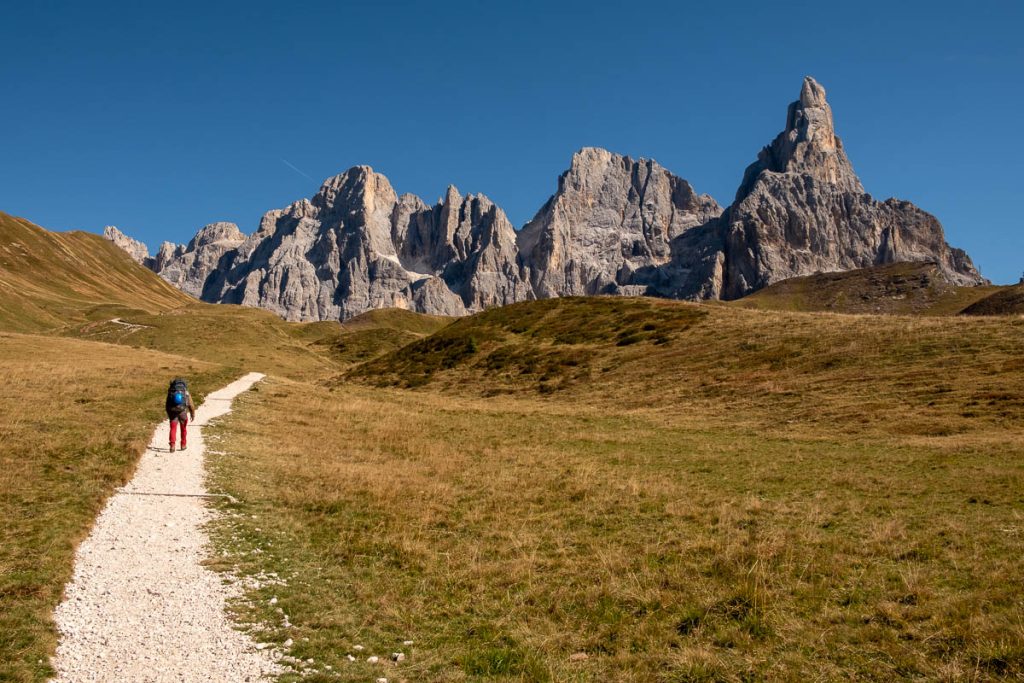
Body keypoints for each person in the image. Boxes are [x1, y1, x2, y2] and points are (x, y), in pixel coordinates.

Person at [165, 378, 196, 453]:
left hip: (172, 412)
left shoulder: (171, 391)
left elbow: (167, 404)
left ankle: (172, 446)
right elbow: (191, 404)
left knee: (173, 428)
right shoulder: (185, 392)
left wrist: (169, 413)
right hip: (183, 412)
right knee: (183, 428)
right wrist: (192, 414)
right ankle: (183, 445)